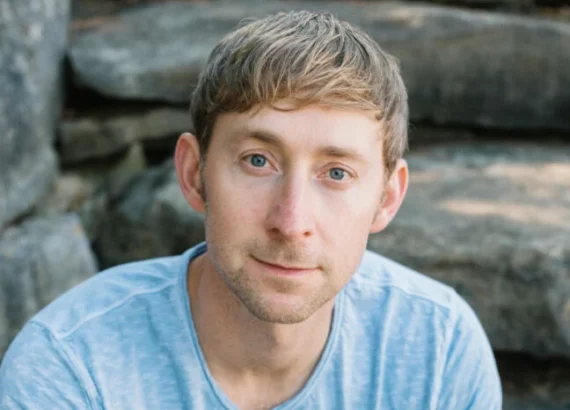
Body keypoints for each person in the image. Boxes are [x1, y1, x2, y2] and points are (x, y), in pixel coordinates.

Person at [0, 10, 502, 410]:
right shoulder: (71, 365)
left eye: (336, 172)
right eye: (258, 161)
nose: (291, 222)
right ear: (194, 173)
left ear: (387, 198)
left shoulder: (438, 350)